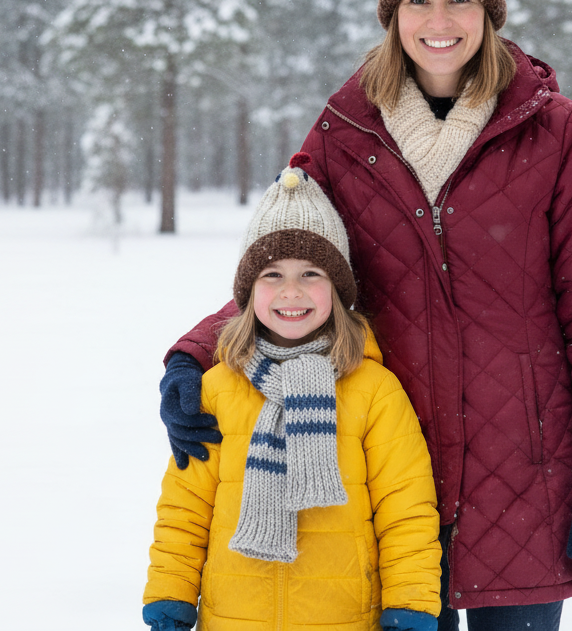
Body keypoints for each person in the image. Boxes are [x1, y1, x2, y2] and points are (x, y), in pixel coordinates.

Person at [158, 0, 572, 631]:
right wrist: (191, 356)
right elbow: (291, 263)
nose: (438, 18)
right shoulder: (347, 132)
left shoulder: (558, 132)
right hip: (387, 469)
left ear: (489, 10)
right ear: (392, 14)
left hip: (524, 470)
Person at [143, 154, 443, 631]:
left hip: (344, 617)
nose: (291, 292)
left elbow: (405, 509)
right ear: (248, 292)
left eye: (311, 274)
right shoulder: (219, 388)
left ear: (337, 289)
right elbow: (186, 508)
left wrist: (410, 601)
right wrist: (170, 591)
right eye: (272, 275)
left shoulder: (373, 391)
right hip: (234, 617)